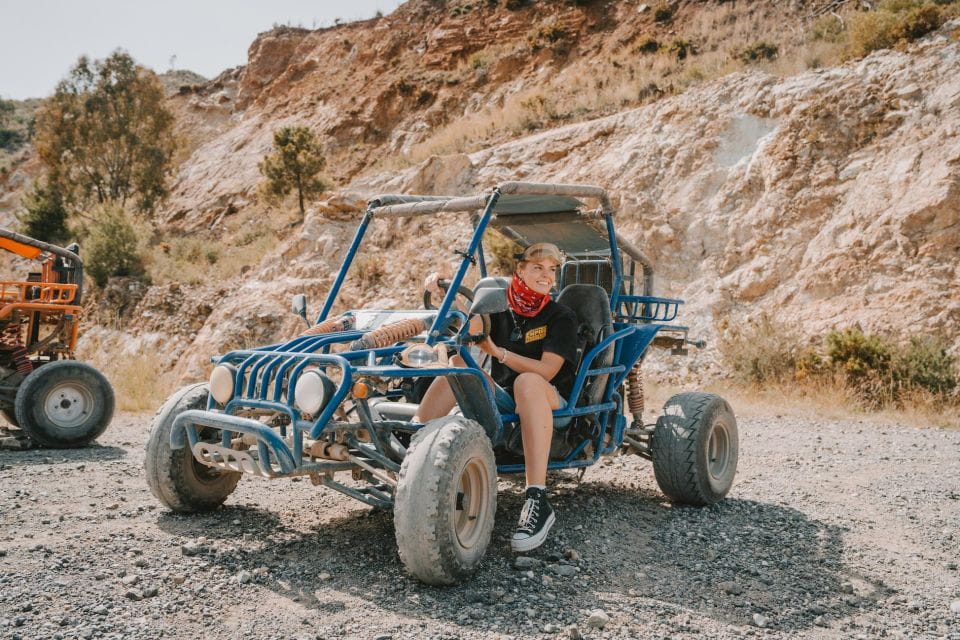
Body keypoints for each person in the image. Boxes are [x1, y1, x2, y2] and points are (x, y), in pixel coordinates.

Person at [414, 242, 578, 552]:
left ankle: (537, 499)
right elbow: (468, 324)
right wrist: (443, 288)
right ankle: (413, 453)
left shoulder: (560, 316)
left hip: (550, 400)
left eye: (551, 270)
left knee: (527, 382)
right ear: (520, 270)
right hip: (506, 398)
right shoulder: (500, 309)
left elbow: (547, 371)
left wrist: (498, 352)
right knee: (459, 363)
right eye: (538, 268)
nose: (546, 276)